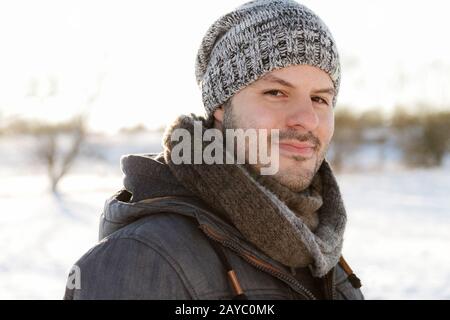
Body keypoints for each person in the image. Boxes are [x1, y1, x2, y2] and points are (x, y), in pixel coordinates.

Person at [64, 0, 364, 300]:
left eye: (320, 99)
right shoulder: (141, 261)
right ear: (221, 105)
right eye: (276, 92)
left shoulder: (321, 246)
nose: (307, 119)